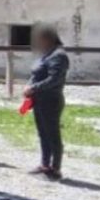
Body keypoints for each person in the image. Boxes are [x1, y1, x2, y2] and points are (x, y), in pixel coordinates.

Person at [25, 24, 70, 180]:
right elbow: (37, 72)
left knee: (52, 135)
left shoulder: (59, 55)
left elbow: (54, 79)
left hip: (51, 99)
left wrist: (34, 87)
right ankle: (45, 164)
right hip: (39, 99)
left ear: (49, 38)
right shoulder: (46, 54)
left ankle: (55, 168)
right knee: (43, 133)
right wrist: (30, 86)